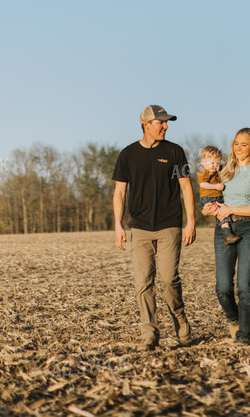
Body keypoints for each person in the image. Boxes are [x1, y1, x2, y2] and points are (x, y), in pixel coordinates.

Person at [112, 104, 196, 352]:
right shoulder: (127, 155)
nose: (166, 126)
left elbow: (186, 188)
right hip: (140, 228)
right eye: (161, 122)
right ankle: (149, 333)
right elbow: (119, 192)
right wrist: (117, 225)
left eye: (167, 122)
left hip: (170, 225)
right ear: (146, 124)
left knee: (170, 279)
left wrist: (190, 221)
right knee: (143, 283)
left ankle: (179, 318)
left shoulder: (175, 152)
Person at [202, 128, 250, 346]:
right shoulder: (224, 170)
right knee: (222, 288)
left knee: (244, 285)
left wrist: (230, 208)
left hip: (249, 228)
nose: (238, 148)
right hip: (224, 228)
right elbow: (208, 197)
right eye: (235, 143)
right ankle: (234, 319)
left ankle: (245, 336)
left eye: (244, 144)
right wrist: (208, 209)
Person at [197, 145, 241, 245]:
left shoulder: (217, 171)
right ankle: (227, 235)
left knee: (223, 214)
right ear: (203, 162)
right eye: (212, 163)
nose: (215, 165)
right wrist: (216, 187)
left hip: (218, 198)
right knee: (222, 215)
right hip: (208, 199)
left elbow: (226, 167)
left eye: (217, 163)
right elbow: (202, 184)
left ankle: (228, 234)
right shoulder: (203, 172)